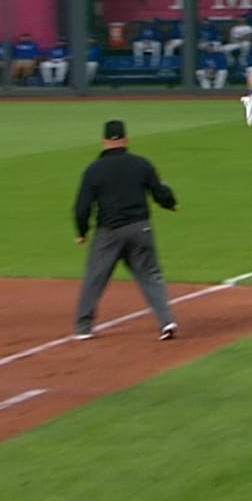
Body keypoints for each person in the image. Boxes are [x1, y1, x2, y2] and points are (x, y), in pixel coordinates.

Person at [71, 119, 180, 341]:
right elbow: (159, 191)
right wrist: (171, 204)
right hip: (140, 229)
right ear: (126, 139)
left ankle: (83, 327)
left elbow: (82, 207)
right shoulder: (141, 164)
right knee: (150, 275)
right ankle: (166, 321)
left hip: (109, 232)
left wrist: (81, 232)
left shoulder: (94, 170)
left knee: (95, 278)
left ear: (103, 141)